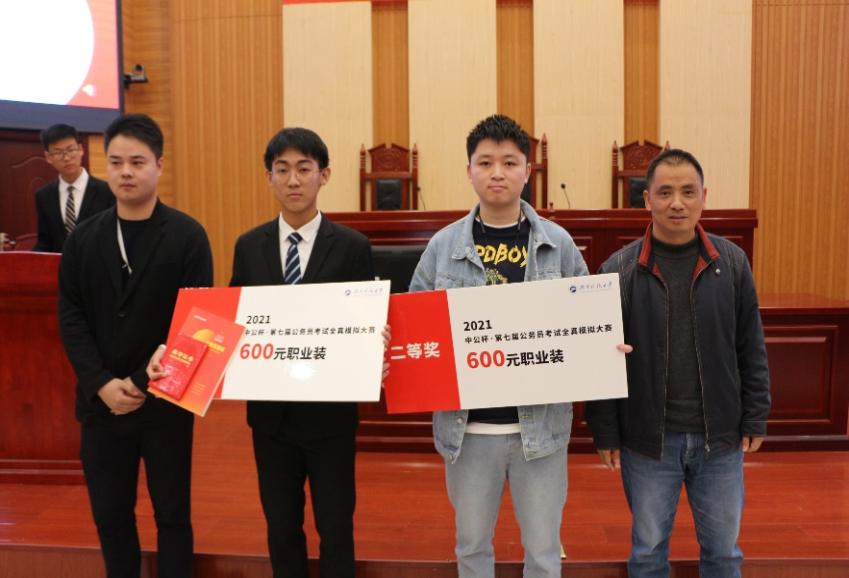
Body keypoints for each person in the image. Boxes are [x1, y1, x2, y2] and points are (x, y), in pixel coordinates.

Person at [408, 114, 588, 578]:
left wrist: (603, 347)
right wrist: (397, 340)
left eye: (509, 162)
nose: (497, 173)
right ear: (469, 170)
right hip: (468, 431)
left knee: (544, 553)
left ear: (528, 170)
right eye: (485, 162)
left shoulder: (559, 244)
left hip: (540, 431)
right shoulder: (443, 246)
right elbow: (415, 326)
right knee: (471, 548)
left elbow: (587, 323)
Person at [585, 148, 771, 578]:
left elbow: (751, 346)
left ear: (704, 196)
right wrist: (605, 430)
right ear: (646, 199)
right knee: (648, 553)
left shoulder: (732, 263)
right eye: (665, 192)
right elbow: (599, 358)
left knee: (723, 553)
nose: (677, 203)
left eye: (688, 192)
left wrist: (756, 415)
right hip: (649, 440)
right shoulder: (618, 269)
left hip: (719, 437)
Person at [58, 113, 213, 578]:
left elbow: (198, 323)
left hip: (166, 402)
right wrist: (101, 383)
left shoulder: (187, 236)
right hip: (100, 404)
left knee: (173, 515)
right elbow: (71, 316)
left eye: (137, 162)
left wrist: (143, 381)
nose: (125, 172)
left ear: (159, 165)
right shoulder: (84, 238)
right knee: (111, 516)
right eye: (116, 162)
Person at [229, 127, 374, 578]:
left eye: (304, 169)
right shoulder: (248, 246)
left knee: (336, 524)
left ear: (323, 175)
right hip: (270, 417)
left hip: (330, 417)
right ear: (269, 177)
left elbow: (364, 326)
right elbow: (235, 320)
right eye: (283, 170)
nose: (293, 180)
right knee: (281, 525)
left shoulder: (352, 247)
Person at [34, 123, 114, 252]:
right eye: (58, 152)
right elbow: (45, 241)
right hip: (60, 263)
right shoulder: (43, 196)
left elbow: (112, 237)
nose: (66, 158)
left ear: (81, 149)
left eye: (71, 150)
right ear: (48, 157)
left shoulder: (107, 191)